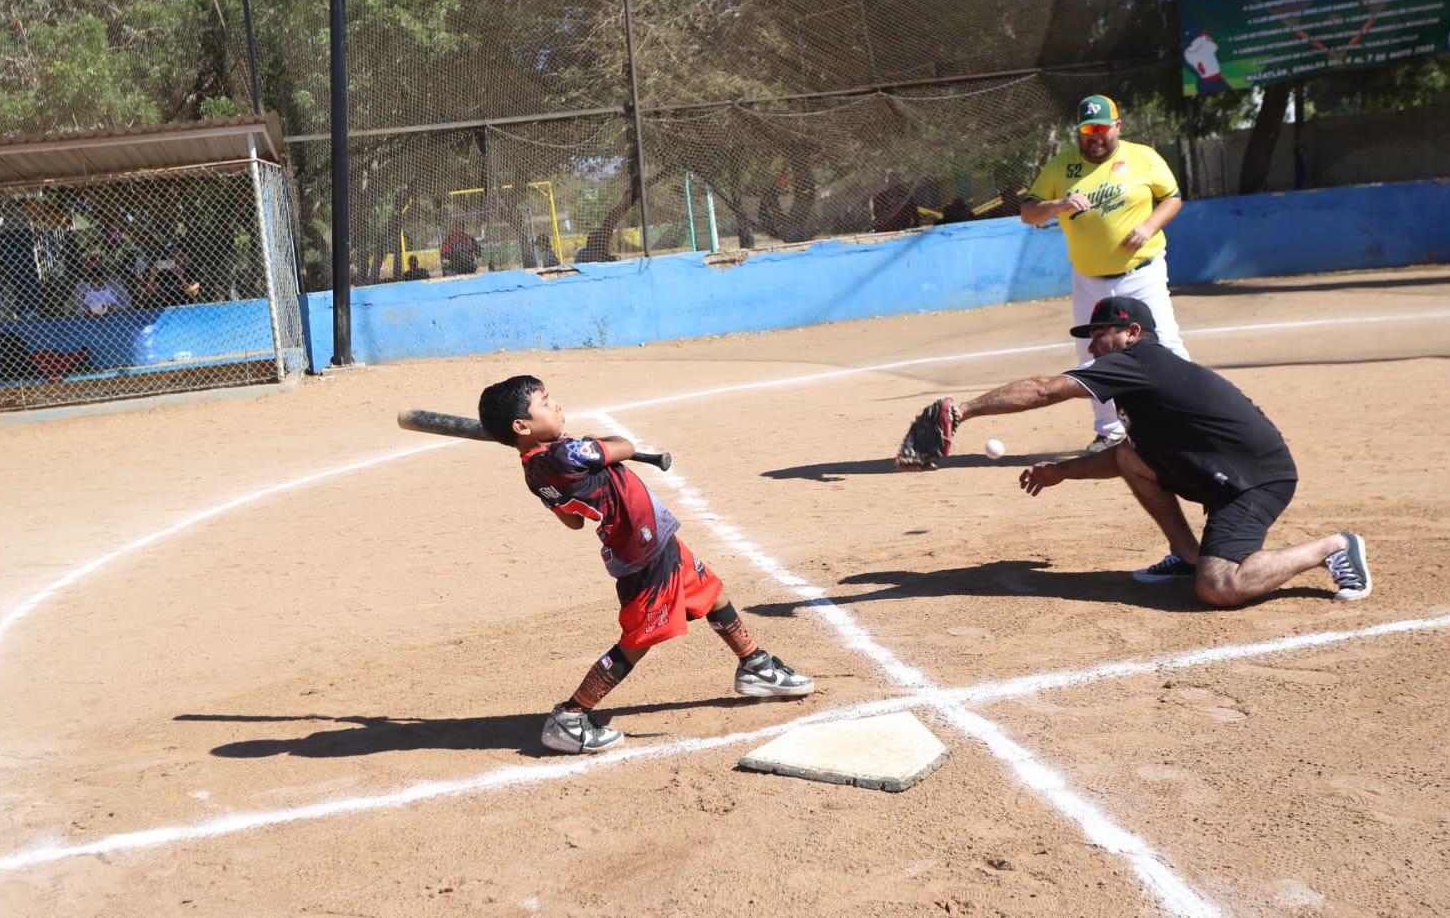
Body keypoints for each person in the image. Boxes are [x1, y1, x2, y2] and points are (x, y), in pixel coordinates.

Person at [894, 296, 1371, 608]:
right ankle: (1186, 554)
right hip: (1216, 474)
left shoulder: (1138, 363)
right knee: (1127, 454)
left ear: (1132, 333)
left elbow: (1043, 389)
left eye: (1100, 333)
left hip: (1254, 482)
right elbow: (1126, 458)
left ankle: (1331, 546)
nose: (1092, 344)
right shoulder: (1136, 377)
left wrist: (964, 411)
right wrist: (1063, 471)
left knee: (1219, 587)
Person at [478, 375, 814, 754]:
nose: (556, 406)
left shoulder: (538, 469)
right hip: (642, 553)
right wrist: (591, 445)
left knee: (711, 592)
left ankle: (754, 664)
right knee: (640, 639)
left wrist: (584, 451)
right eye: (545, 402)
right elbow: (625, 445)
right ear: (521, 426)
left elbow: (573, 520)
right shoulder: (564, 455)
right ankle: (571, 717)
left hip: (652, 540)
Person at [1019, 94, 1190, 453]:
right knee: (1091, 353)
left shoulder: (1143, 156)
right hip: (1089, 279)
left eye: (1101, 128)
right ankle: (1109, 430)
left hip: (1141, 272)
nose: (1094, 136)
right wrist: (1059, 205)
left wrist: (1148, 226)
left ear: (1117, 126)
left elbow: (1172, 197)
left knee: (1166, 345)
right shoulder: (1061, 166)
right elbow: (1029, 213)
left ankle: (1190, 420)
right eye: (1086, 130)